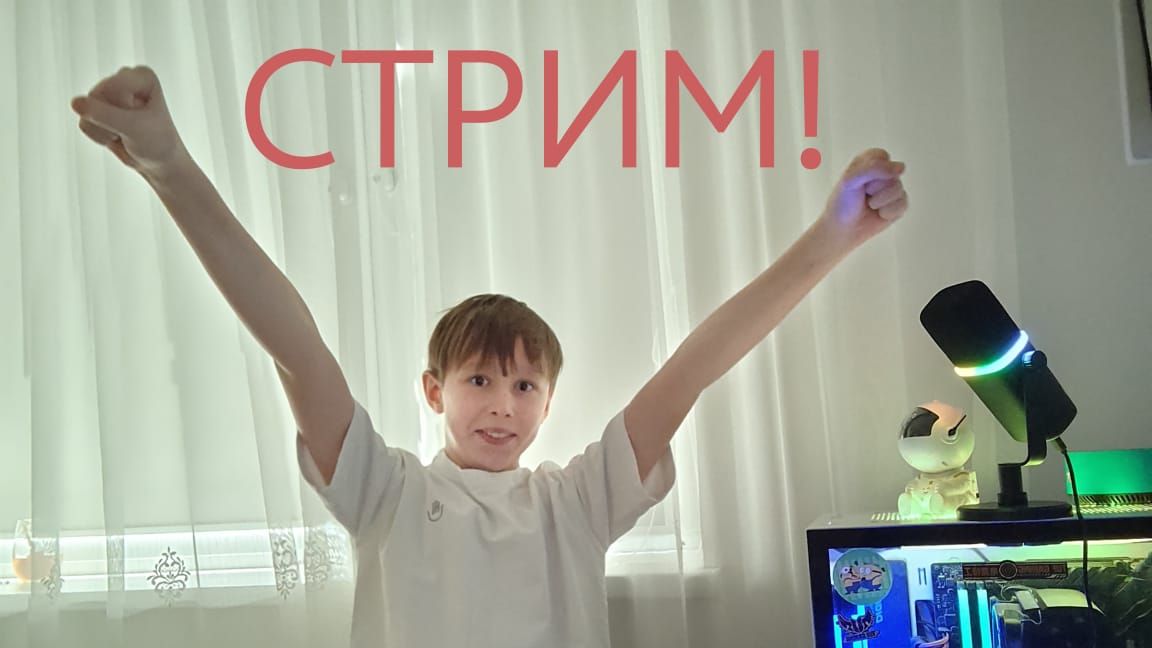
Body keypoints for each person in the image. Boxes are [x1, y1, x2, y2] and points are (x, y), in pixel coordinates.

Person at [71, 65, 908, 647]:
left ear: (549, 401)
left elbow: (693, 367)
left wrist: (831, 239)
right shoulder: (385, 491)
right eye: (479, 379)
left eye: (526, 384)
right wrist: (170, 168)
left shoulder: (575, 501)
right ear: (433, 390)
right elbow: (297, 349)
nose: (504, 403)